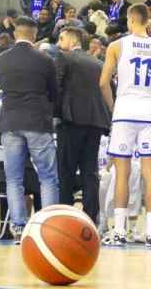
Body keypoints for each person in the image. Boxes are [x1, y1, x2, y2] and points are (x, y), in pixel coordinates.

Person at [99, 4, 151, 247]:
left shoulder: (116, 45)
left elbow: (103, 83)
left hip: (124, 109)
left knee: (122, 173)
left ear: (130, 21)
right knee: (150, 175)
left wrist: (113, 108)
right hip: (148, 111)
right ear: (148, 20)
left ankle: (120, 231)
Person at [0, 17, 61, 239]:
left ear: (15, 34)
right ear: (34, 35)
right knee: (48, 177)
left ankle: (19, 227)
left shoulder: (1, 60)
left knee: (14, 178)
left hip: (10, 121)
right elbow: (54, 93)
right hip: (37, 122)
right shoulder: (45, 60)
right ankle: (48, 227)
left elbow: (4, 87)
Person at [55, 27, 110, 225]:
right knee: (90, 172)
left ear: (71, 40)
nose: (58, 43)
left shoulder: (64, 57)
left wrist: (55, 114)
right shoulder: (98, 63)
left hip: (71, 121)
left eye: (61, 38)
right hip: (95, 122)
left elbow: (57, 88)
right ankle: (90, 219)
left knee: (66, 171)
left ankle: (65, 218)